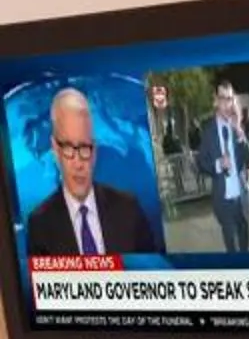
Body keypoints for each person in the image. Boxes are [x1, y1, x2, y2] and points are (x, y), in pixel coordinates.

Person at [24, 90, 161, 255]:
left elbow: (150, 267)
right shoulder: (39, 225)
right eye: (68, 148)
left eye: (84, 148)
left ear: (94, 150)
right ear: (55, 150)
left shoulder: (129, 208)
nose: (78, 163)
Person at [194, 79, 249, 253]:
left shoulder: (237, 126)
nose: (226, 104)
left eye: (229, 99)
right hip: (223, 198)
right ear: (216, 100)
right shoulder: (208, 131)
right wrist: (219, 164)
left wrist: (240, 133)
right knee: (231, 244)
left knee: (244, 239)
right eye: (222, 98)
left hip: (241, 197)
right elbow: (201, 163)